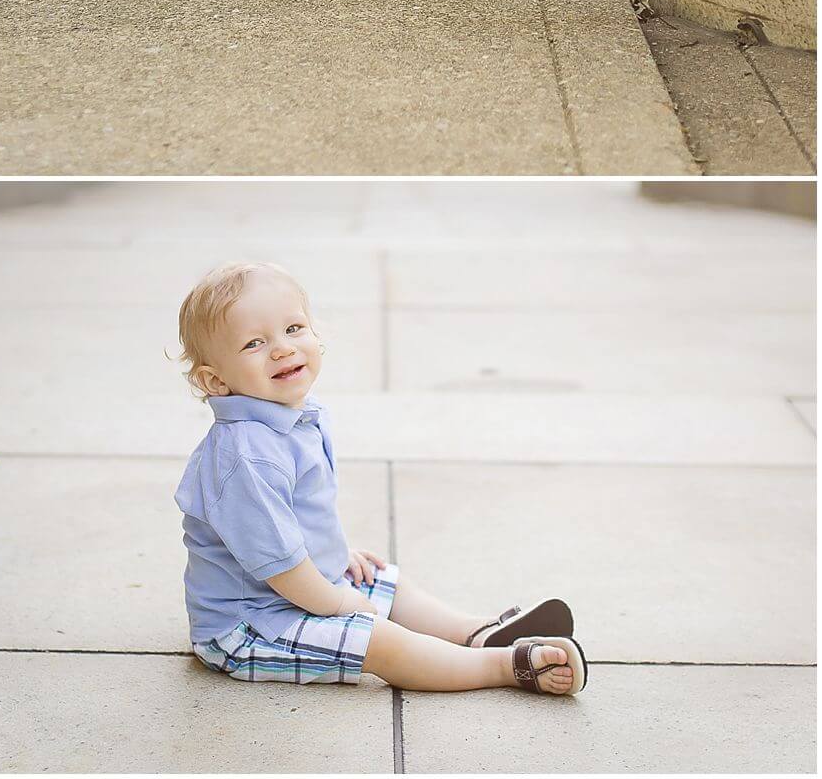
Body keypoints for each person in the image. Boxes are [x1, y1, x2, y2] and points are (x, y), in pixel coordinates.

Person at [174, 260, 588, 696]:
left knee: (380, 578)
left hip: (293, 589)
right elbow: (279, 564)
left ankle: (476, 632)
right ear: (215, 380)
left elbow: (289, 521)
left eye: (294, 328)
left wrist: (335, 558)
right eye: (254, 343)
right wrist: (337, 603)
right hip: (249, 625)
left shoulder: (292, 417)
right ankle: (501, 666)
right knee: (377, 639)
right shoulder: (245, 457)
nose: (281, 349)